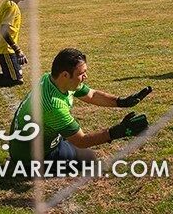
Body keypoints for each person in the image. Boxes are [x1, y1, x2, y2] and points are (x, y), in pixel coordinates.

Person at [8, 48, 152, 163]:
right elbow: (82, 141)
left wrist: (121, 102)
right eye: (81, 73)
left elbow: (91, 95)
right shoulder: (53, 106)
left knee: (73, 143)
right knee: (88, 159)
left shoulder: (51, 79)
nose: (85, 77)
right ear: (65, 75)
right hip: (31, 157)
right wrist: (119, 131)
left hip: (25, 144)